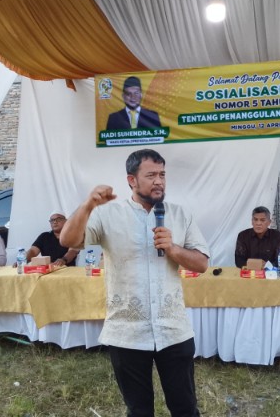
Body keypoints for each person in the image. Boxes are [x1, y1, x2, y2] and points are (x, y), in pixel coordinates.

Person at [60, 148, 209, 417]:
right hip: (126, 332)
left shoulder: (180, 214)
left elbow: (201, 263)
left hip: (173, 330)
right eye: (151, 175)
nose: (159, 181)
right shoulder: (107, 215)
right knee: (138, 411)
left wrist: (173, 248)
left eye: (162, 174)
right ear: (132, 180)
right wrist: (88, 205)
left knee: (185, 408)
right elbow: (68, 240)